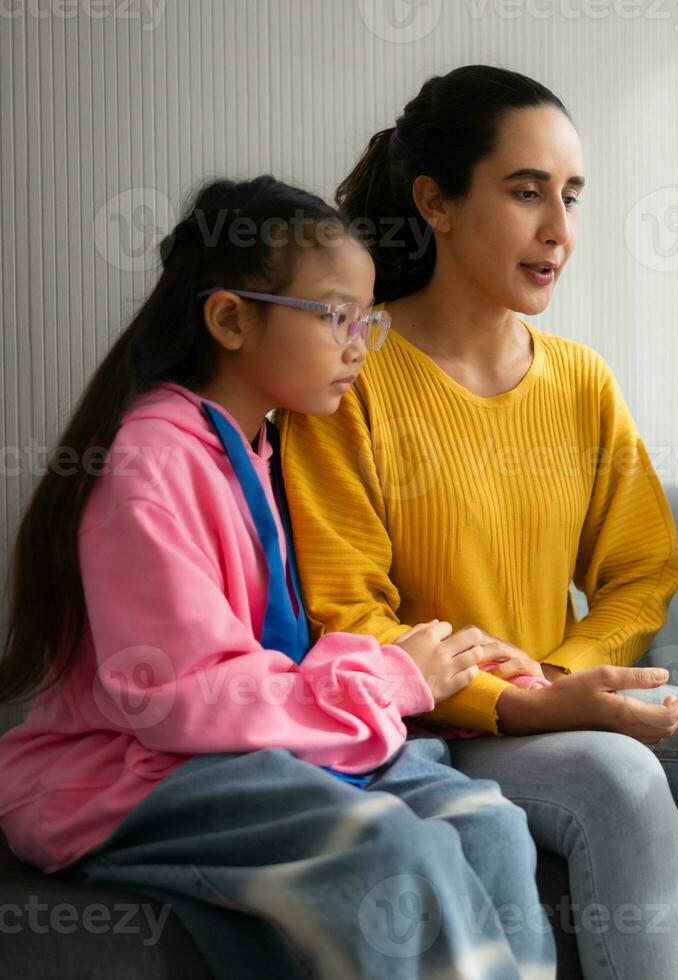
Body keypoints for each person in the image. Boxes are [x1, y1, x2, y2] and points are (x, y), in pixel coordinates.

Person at [279, 66, 678, 980]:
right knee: (617, 782)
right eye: (526, 191)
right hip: (436, 728)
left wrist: (568, 677)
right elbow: (349, 615)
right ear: (437, 202)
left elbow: (641, 569)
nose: (559, 231)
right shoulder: (347, 380)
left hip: (562, 696)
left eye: (572, 196)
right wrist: (522, 700)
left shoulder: (580, 379)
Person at [0, 177, 553, 980]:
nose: (360, 344)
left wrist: (437, 662)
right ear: (229, 319)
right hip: (137, 773)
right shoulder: (151, 461)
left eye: (369, 319)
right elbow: (179, 699)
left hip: (239, 750)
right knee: (388, 849)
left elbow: (278, 653)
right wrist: (394, 678)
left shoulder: (258, 447)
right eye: (336, 316)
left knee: (489, 823)